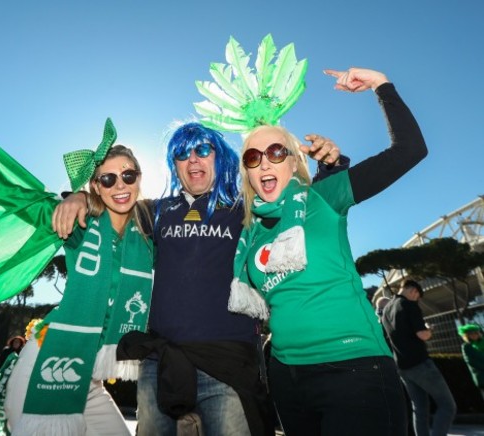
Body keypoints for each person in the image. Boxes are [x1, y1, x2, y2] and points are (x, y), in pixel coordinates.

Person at [54, 125, 342, 435]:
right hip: (161, 364)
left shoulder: (246, 207)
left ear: (219, 157)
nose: (193, 160)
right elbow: (112, 202)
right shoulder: (156, 211)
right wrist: (80, 197)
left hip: (228, 365)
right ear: (173, 164)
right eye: (182, 153)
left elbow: (305, 209)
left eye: (203, 150)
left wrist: (329, 168)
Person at [232, 68, 427, 435]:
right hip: (288, 380)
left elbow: (410, 150)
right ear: (247, 173)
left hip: (355, 371)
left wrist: (380, 85)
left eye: (276, 152)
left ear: (294, 161)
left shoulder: (323, 198)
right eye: (252, 158)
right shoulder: (250, 232)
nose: (265, 163)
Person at [3, 136, 155, 436]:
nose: (120, 186)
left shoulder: (151, 232)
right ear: (96, 186)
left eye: (128, 175)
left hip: (90, 376)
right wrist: (76, 197)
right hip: (47, 360)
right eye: (108, 179)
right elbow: (11, 195)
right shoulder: (81, 222)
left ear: (139, 178)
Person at [382, 279, 457, 436]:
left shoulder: (387, 310)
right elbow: (422, 334)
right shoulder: (409, 305)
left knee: (420, 408)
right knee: (447, 405)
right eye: (417, 296)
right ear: (413, 291)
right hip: (420, 363)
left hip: (402, 366)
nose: (416, 299)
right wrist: (429, 330)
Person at [458, 324, 484, 399]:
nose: (474, 335)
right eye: (471, 334)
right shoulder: (466, 347)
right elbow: (470, 361)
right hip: (481, 375)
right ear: (466, 336)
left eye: (475, 333)